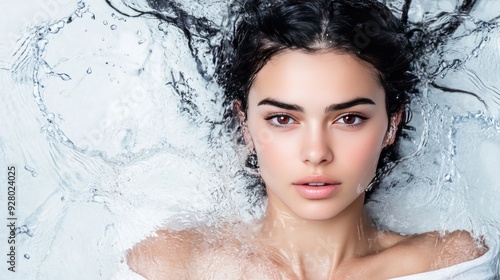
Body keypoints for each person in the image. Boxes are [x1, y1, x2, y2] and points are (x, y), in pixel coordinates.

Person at [127, 0, 494, 279]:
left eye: (349, 118)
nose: (316, 152)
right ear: (245, 125)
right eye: (283, 119)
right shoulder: (173, 263)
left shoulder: (448, 262)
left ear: (392, 124)